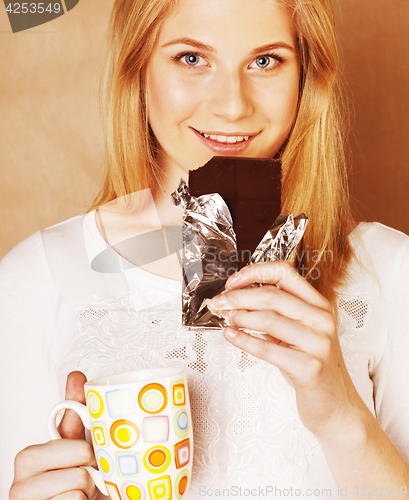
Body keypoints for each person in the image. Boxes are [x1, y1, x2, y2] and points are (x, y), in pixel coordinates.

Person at [1, 0, 409, 498]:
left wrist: (342, 417)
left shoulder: (389, 270)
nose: (233, 105)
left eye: (266, 61)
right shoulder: (36, 277)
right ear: (138, 68)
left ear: (305, 75)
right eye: (192, 59)